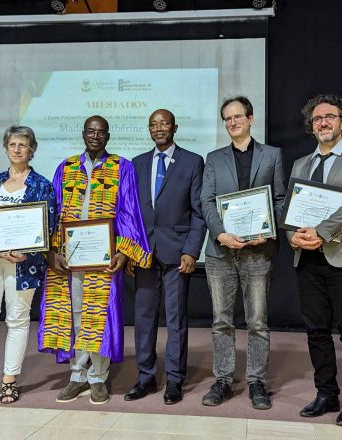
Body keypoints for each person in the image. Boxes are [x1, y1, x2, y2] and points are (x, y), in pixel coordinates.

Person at [38, 115, 152, 405]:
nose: (95, 136)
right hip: (71, 255)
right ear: (83, 134)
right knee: (74, 312)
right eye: (90, 131)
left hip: (103, 256)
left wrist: (124, 250)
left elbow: (129, 211)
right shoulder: (66, 168)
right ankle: (77, 374)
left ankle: (98, 377)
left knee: (99, 316)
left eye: (101, 132)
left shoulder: (121, 167)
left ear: (108, 136)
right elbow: (54, 212)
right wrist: (52, 252)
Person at [288, 94, 342, 427]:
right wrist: (292, 236)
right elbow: (292, 212)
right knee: (316, 331)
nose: (323, 122)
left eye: (330, 116)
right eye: (317, 119)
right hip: (306, 258)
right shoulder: (301, 164)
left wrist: (321, 231)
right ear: (311, 127)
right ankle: (326, 394)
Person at [200, 96, 286, 410]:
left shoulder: (273, 155)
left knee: (257, 321)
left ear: (251, 119)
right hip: (221, 250)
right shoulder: (213, 157)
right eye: (227, 119)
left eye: (238, 116)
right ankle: (223, 379)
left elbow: (279, 199)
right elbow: (206, 201)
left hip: (258, 250)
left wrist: (267, 229)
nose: (233, 122)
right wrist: (220, 232)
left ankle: (256, 381)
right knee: (221, 320)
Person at [0, 125, 56, 404]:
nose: (17, 149)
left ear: (32, 150)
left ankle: (9, 380)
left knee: (17, 321)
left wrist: (29, 253)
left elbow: (47, 227)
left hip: (21, 265)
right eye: (13, 144)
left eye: (23, 145)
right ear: (6, 148)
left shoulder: (42, 185)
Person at [124, 109, 207, 404]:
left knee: (176, 320)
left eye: (165, 123)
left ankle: (174, 379)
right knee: (143, 318)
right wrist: (130, 251)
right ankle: (145, 377)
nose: (159, 128)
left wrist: (191, 250)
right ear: (149, 129)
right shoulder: (137, 164)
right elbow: (129, 214)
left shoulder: (193, 162)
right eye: (154, 124)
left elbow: (199, 213)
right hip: (144, 254)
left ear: (175, 127)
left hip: (177, 254)